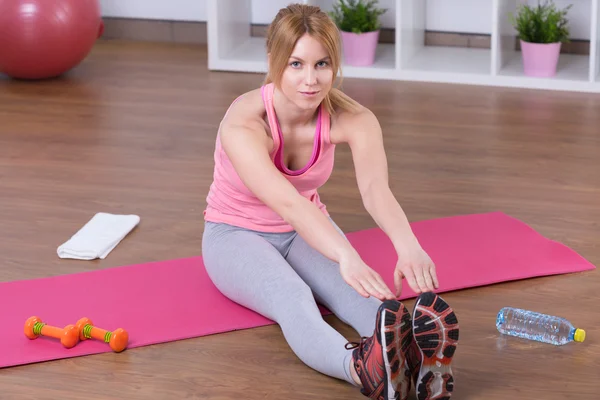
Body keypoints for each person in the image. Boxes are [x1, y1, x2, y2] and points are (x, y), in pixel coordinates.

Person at [201, 4, 459, 400]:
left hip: (305, 229)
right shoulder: (243, 123)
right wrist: (345, 255)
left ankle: (416, 360)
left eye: (322, 63)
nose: (311, 79)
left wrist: (409, 247)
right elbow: (288, 203)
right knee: (291, 296)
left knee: (364, 295)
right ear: (273, 62)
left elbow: (375, 189)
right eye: (296, 64)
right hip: (233, 234)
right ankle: (363, 370)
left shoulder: (353, 118)